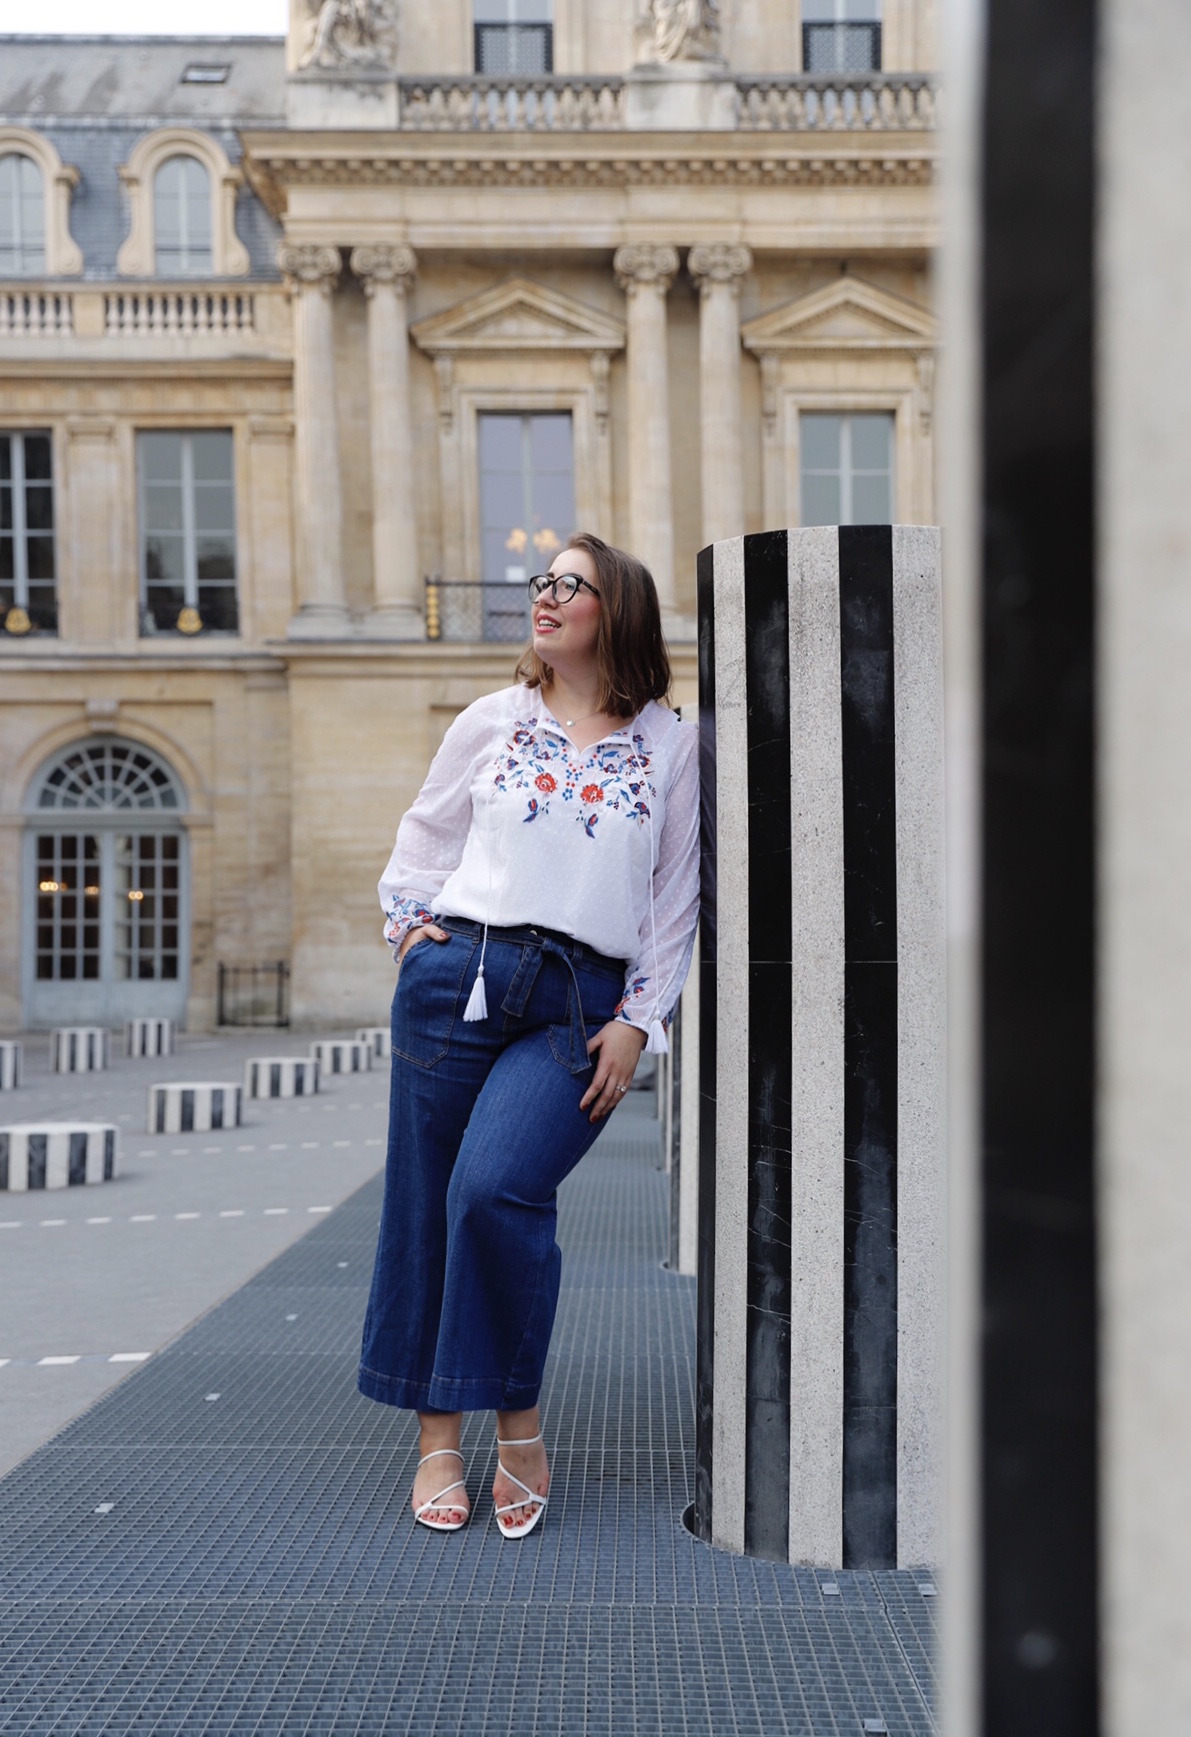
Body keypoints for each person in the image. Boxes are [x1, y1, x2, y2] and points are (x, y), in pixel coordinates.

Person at [358, 531, 700, 1539]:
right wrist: (411, 933)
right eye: (540, 582)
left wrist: (642, 1020)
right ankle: (434, 1442)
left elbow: (675, 900)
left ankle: (517, 1420)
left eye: (569, 585)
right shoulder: (490, 722)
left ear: (618, 610)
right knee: (426, 1204)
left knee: (495, 1186)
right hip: (457, 980)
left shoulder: (672, 744)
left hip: (578, 1003)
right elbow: (423, 837)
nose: (542, 597)